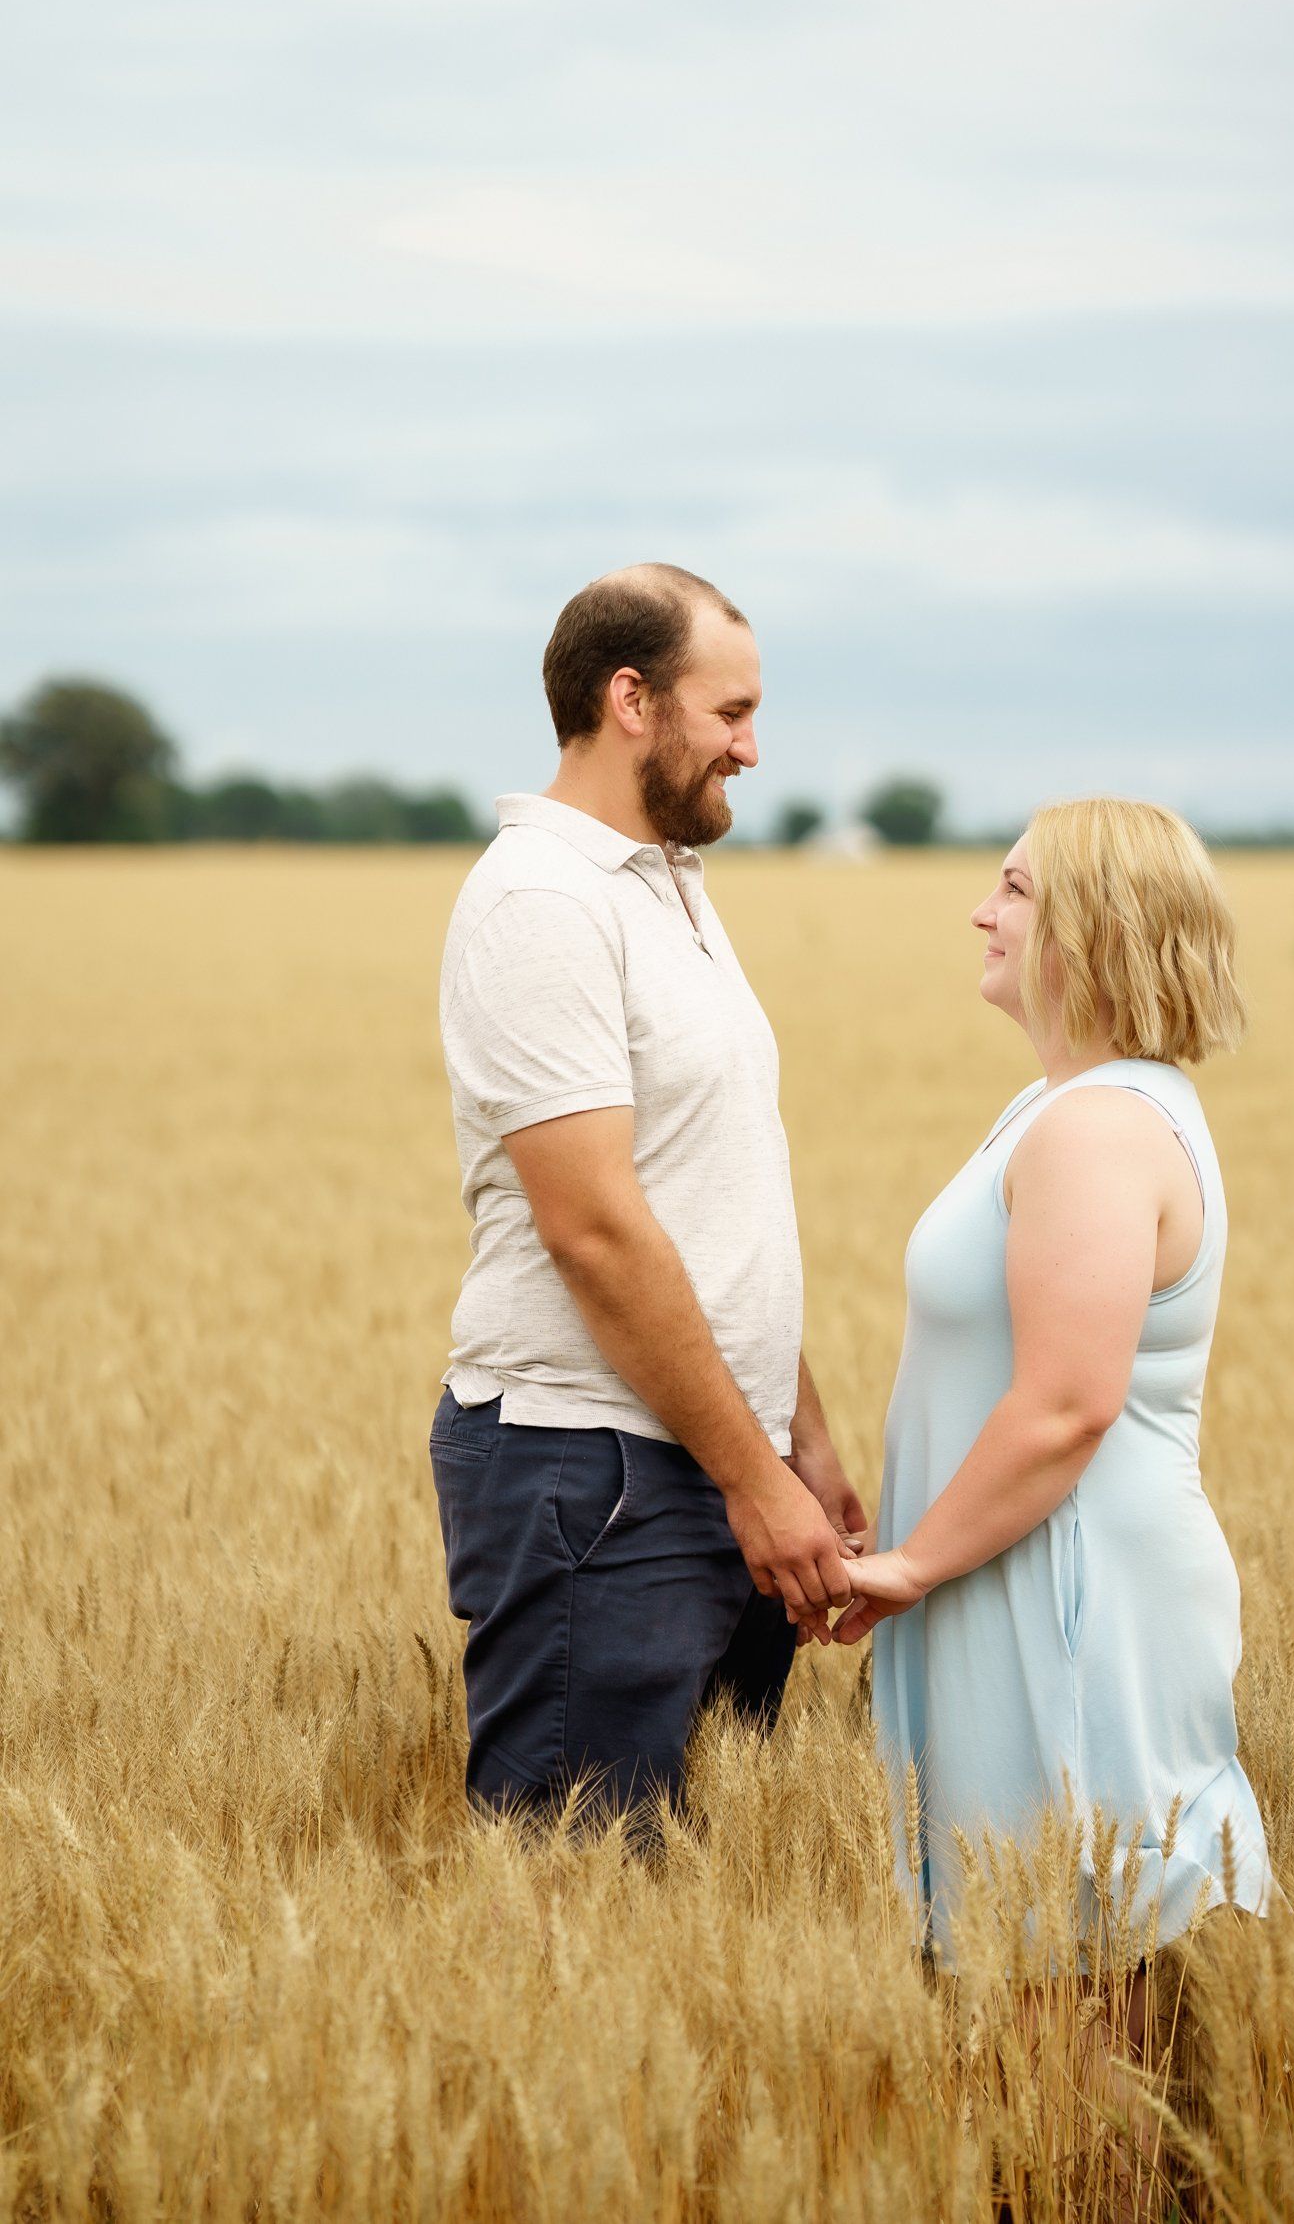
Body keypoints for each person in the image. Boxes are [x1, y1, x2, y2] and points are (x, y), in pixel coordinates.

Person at [429, 564, 865, 1821]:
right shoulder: (540, 902)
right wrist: (754, 1479)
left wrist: (803, 1438)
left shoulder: (662, 884)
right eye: (728, 712)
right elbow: (598, 1231)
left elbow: (710, 1196)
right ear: (632, 699)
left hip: (710, 1449)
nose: (751, 745)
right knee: (582, 1893)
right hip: (596, 1469)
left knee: (690, 1895)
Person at [832, 796, 1276, 2003]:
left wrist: (913, 1565)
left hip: (1068, 1584)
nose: (982, 910)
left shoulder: (1095, 1131)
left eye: (1016, 891)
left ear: (1096, 927)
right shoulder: (1061, 1107)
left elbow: (1066, 1405)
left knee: (1065, 1958)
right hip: (1016, 1558)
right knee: (1029, 1952)